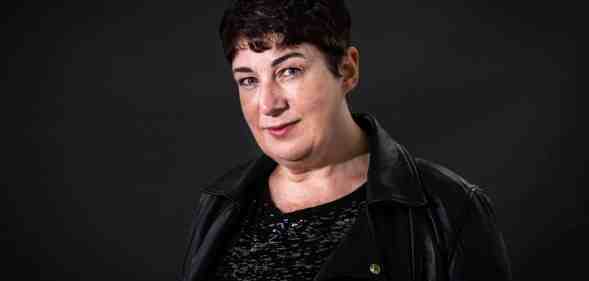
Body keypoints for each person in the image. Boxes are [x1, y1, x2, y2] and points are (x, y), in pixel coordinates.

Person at [179, 1, 511, 280]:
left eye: (289, 71)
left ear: (347, 70)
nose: (268, 104)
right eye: (248, 80)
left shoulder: (451, 208)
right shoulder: (219, 205)